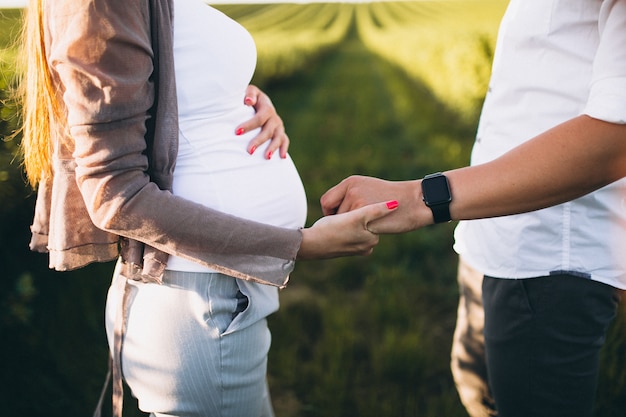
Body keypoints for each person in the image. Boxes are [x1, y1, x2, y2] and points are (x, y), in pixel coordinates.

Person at [18, 1, 398, 416]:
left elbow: (173, 91)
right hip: (198, 303)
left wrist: (245, 101)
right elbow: (115, 195)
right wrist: (297, 245)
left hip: (217, 295)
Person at [320, 1, 626, 416]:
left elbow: (616, 138)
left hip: (550, 260)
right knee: (478, 390)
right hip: (492, 236)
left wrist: (418, 199)